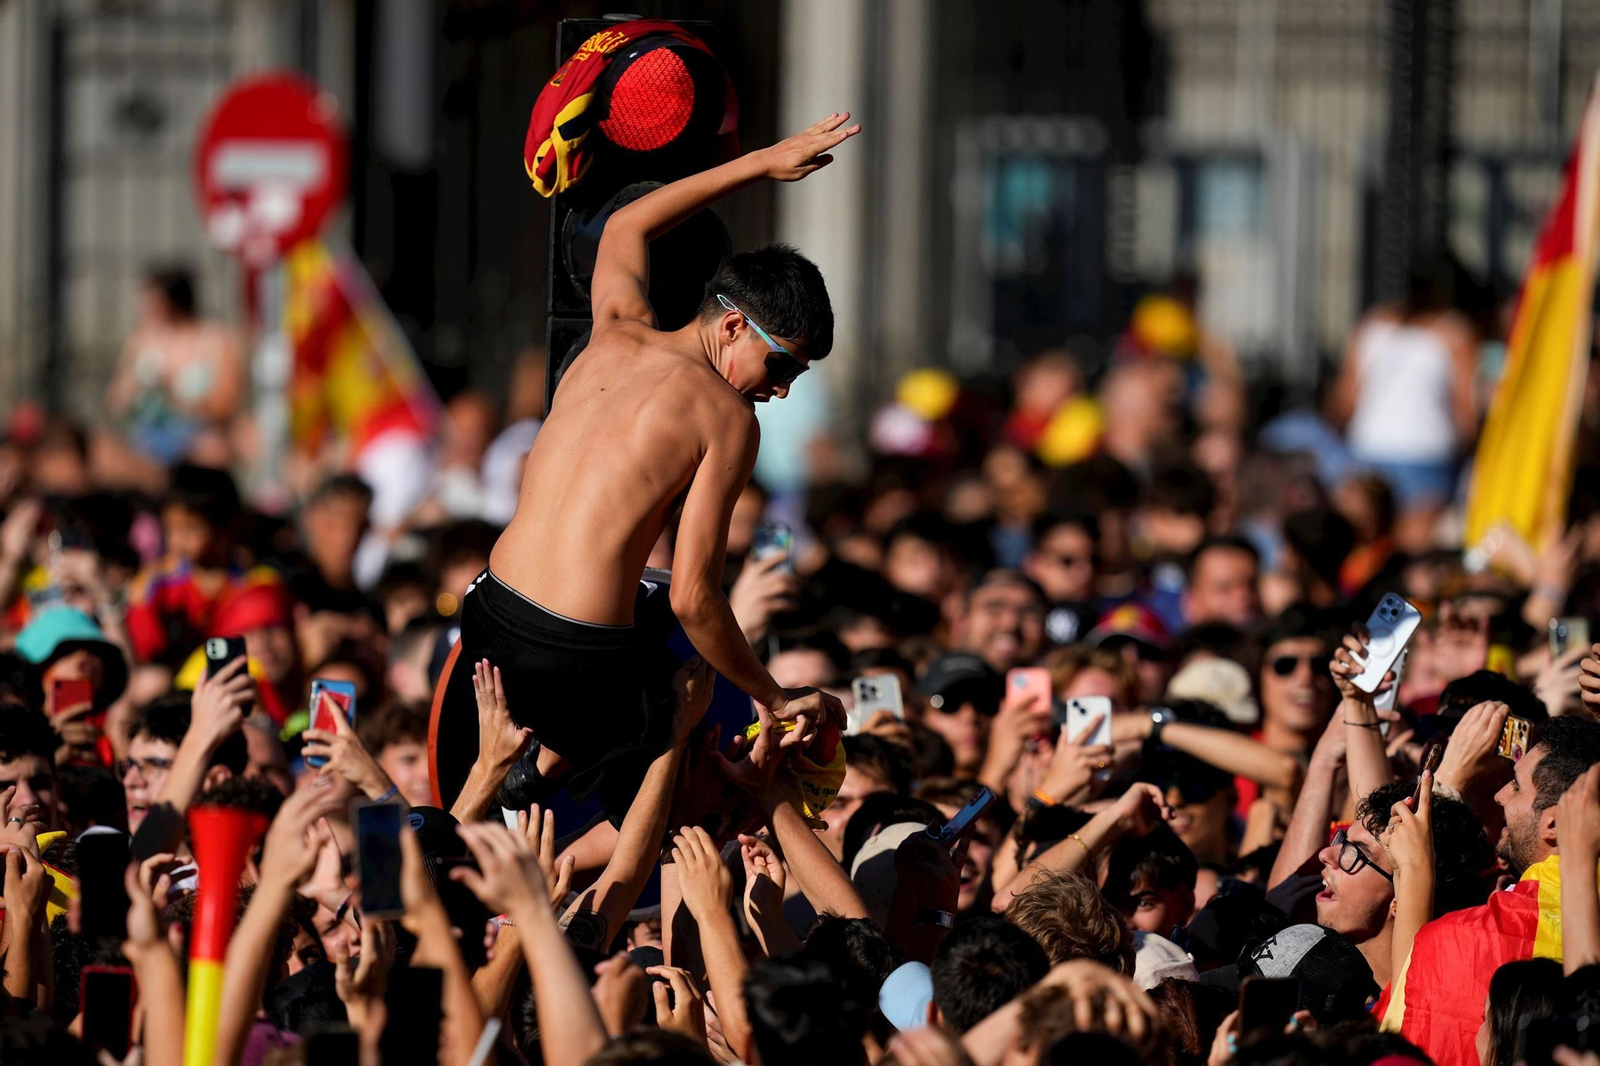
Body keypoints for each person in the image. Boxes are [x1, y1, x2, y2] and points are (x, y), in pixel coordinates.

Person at [429, 115, 860, 815]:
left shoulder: (611, 331)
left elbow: (627, 225)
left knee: (649, 635)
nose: (779, 389)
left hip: (484, 618)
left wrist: (759, 163)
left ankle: (529, 772)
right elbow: (696, 598)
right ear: (730, 324)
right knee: (681, 702)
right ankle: (551, 773)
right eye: (779, 365)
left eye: (795, 378)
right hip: (574, 661)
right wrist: (774, 695)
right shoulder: (727, 420)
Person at [1381, 716, 1600, 1066]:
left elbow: (1400, 1045)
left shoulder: (1462, 940)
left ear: (1555, 823)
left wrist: (1413, 871)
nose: (1499, 796)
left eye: (1514, 785)